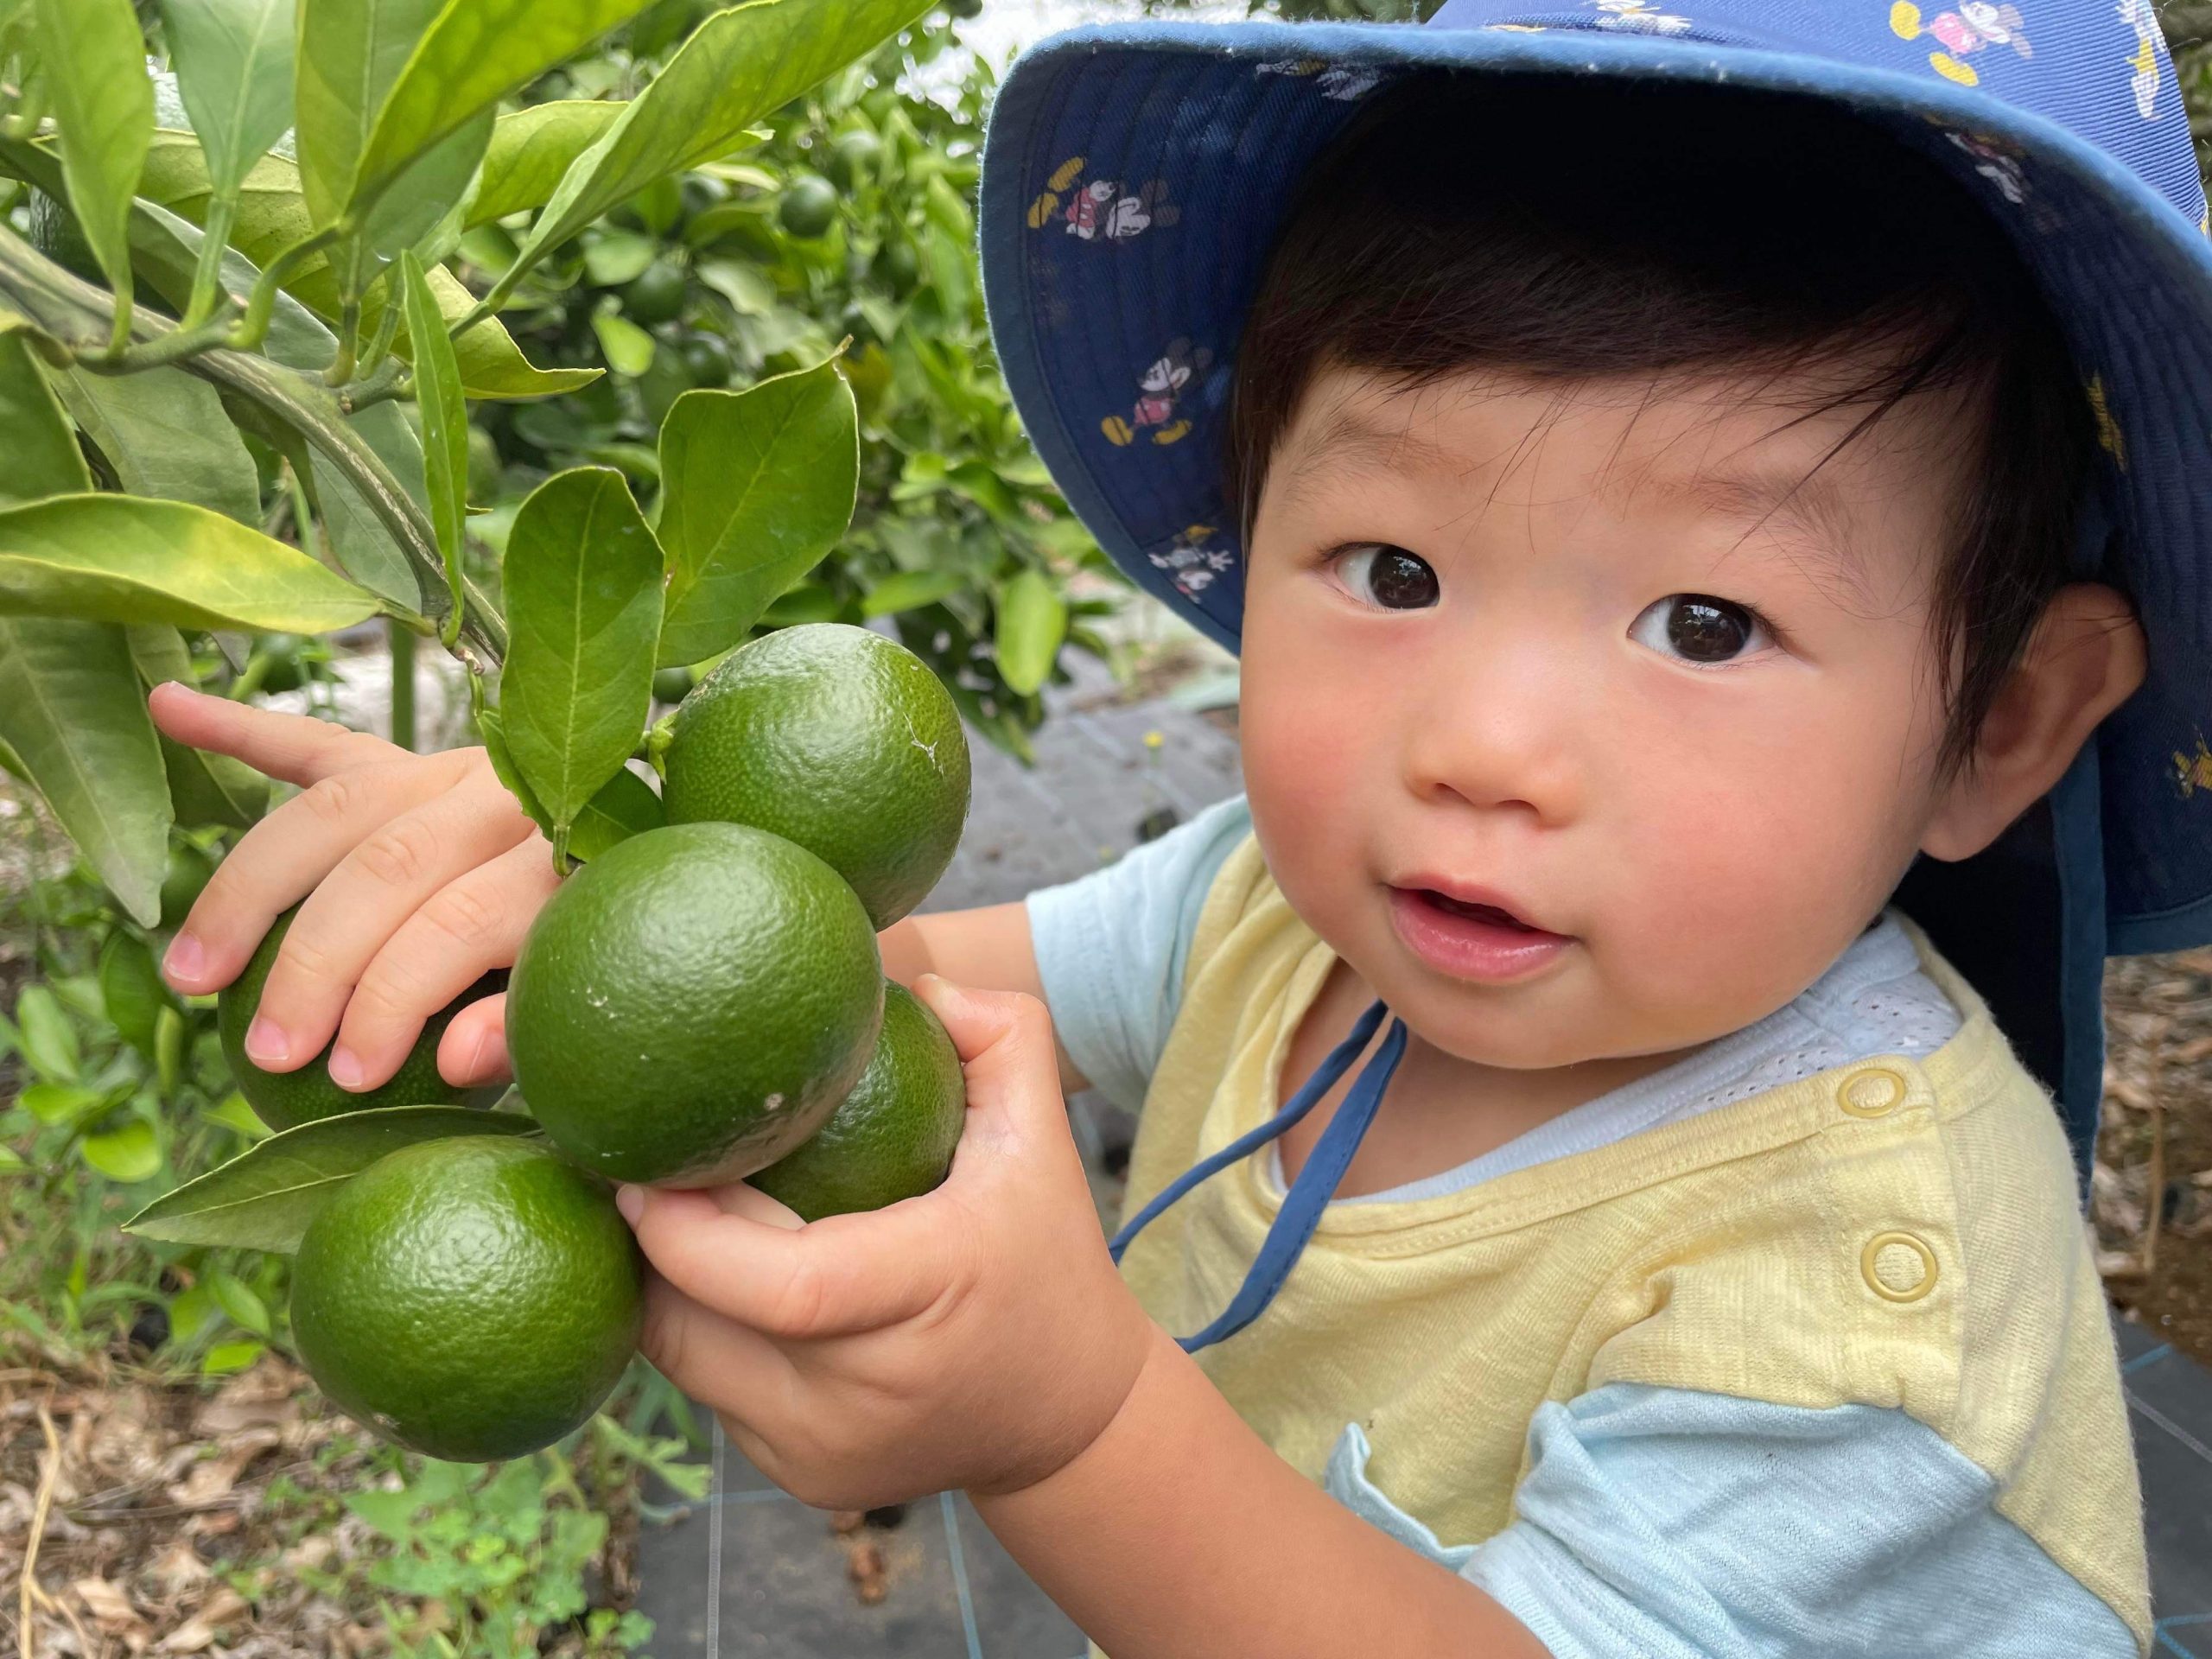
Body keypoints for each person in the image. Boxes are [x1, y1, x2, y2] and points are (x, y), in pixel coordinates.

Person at [149, 2, 2212, 1651]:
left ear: (1996, 724)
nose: (1482, 747)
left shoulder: (1873, 1301)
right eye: (1393, 570)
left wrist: (1073, 1426)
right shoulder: (1275, 911)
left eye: (1703, 620)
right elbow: (865, 1007)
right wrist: (579, 891)